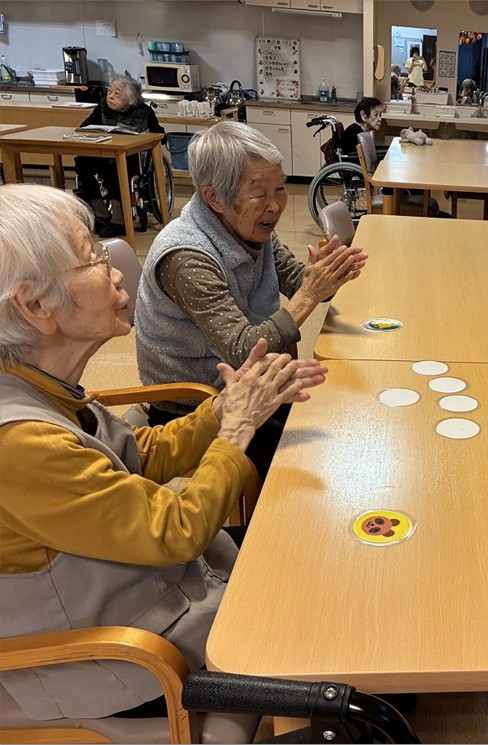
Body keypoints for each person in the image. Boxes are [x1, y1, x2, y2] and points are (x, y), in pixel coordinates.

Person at [0, 182, 327, 721]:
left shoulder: (38, 383)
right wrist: (236, 431)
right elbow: (175, 532)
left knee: (309, 548)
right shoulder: (19, 443)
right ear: (36, 304)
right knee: (354, 670)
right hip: (122, 660)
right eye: (93, 258)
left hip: (148, 594)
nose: (117, 272)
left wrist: (223, 409)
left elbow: (132, 453)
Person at [135, 121, 366, 479]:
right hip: (196, 406)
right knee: (309, 462)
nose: (275, 206)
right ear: (215, 198)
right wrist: (310, 292)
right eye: (260, 194)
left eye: (280, 188)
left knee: (341, 418)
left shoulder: (249, 227)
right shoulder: (185, 256)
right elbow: (243, 350)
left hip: (252, 382)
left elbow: (297, 280)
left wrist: (325, 275)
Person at [73, 75, 167, 238]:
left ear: (131, 99)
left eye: (117, 94)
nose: (110, 96)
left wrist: (143, 138)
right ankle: (99, 209)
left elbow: (161, 136)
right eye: (109, 91)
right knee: (82, 161)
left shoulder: (144, 112)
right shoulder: (102, 108)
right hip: (104, 153)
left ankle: (119, 218)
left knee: (115, 168)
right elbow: (84, 127)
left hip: (130, 157)